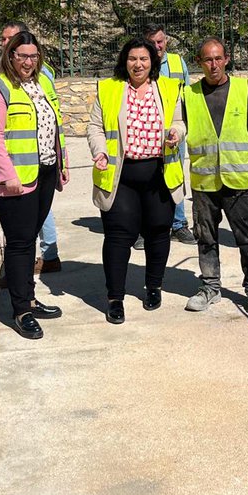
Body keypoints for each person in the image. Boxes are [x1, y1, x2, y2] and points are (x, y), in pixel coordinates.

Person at [88, 37, 186, 324]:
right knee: (119, 236)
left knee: (158, 231)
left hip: (160, 173)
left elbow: (180, 122)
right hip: (121, 176)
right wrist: (100, 151)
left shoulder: (168, 88)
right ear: (124, 61)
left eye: (144, 59)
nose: (138, 64)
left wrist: (176, 134)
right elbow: (94, 126)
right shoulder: (109, 89)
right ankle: (114, 297)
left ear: (152, 62)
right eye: (132, 59)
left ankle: (153, 287)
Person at [0, 32, 69, 340]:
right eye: (22, 56)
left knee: (29, 239)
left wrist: (62, 163)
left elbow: (55, 124)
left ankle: (29, 299)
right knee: (19, 244)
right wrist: (8, 175)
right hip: (14, 181)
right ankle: (21, 311)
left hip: (44, 172)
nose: (28, 62)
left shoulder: (43, 82)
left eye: (33, 56)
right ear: (11, 56)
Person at [184, 38, 248, 315]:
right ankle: (210, 286)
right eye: (207, 59)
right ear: (199, 63)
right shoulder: (189, 94)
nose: (214, 65)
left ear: (227, 59)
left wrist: (236, 158)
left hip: (237, 178)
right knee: (205, 236)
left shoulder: (242, 89)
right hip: (204, 180)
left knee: (247, 237)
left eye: (218, 58)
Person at [1, 21, 62, 274]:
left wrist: (62, 161)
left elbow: (54, 119)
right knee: (24, 233)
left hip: (37, 166)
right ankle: (25, 279)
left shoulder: (41, 76)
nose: (4, 44)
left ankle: (48, 255)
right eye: (3, 41)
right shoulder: (1, 80)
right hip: (22, 167)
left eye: (9, 40)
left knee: (33, 221)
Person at [140, 24, 195, 245]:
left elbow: (187, 94)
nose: (157, 46)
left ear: (166, 41)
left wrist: (183, 128)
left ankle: (179, 224)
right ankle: (146, 229)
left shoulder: (177, 62)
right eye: (152, 42)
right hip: (145, 131)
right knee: (147, 179)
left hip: (173, 131)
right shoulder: (139, 62)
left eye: (160, 41)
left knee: (175, 176)